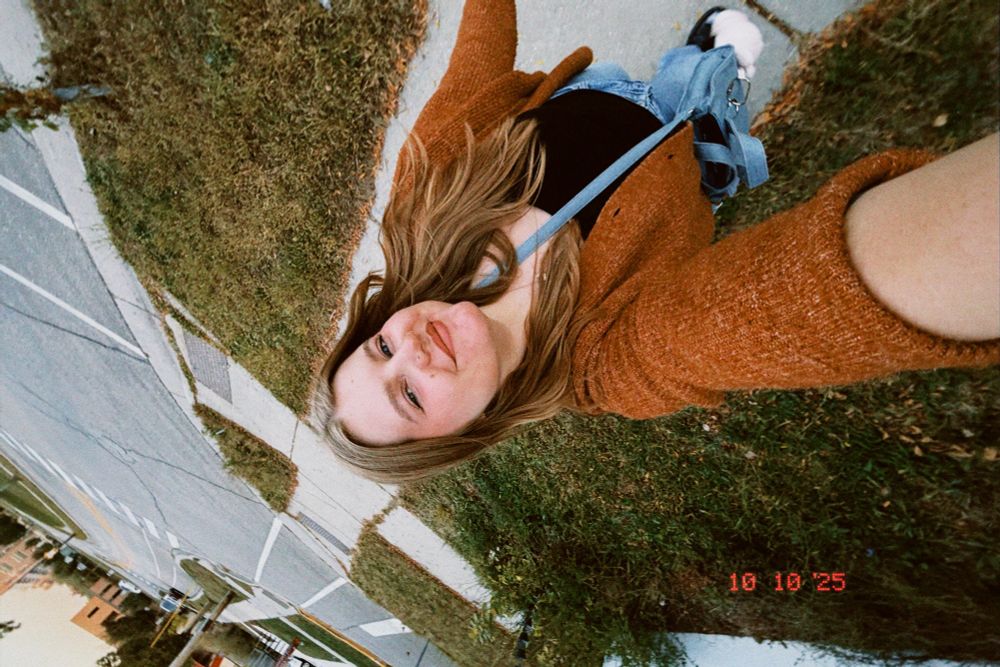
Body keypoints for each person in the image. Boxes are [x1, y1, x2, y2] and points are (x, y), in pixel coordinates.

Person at [312, 0, 1000, 483]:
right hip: (675, 164)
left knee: (673, 75)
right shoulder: (606, 363)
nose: (412, 348)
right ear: (462, 436)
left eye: (380, 346)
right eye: (409, 395)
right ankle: (707, 106)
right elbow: (803, 300)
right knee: (711, 87)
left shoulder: (422, 200)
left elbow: (475, 67)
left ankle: (689, 74)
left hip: (601, 91)